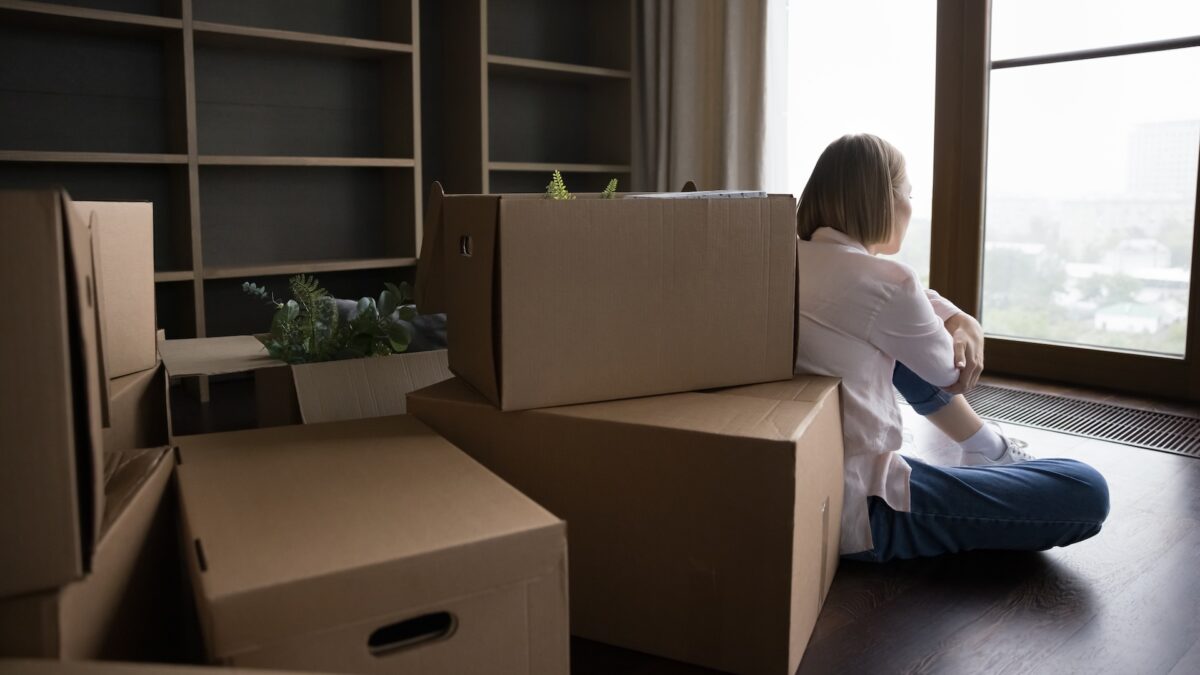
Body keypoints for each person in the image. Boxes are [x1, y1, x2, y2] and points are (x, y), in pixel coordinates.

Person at [794, 133, 1109, 563]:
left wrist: (959, 318)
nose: (911, 206)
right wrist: (963, 323)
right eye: (907, 192)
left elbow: (891, 301)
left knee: (895, 342)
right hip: (863, 513)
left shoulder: (784, 260)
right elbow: (949, 373)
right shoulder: (889, 284)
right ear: (881, 199)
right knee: (1085, 489)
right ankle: (990, 449)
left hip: (804, 486)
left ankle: (985, 447)